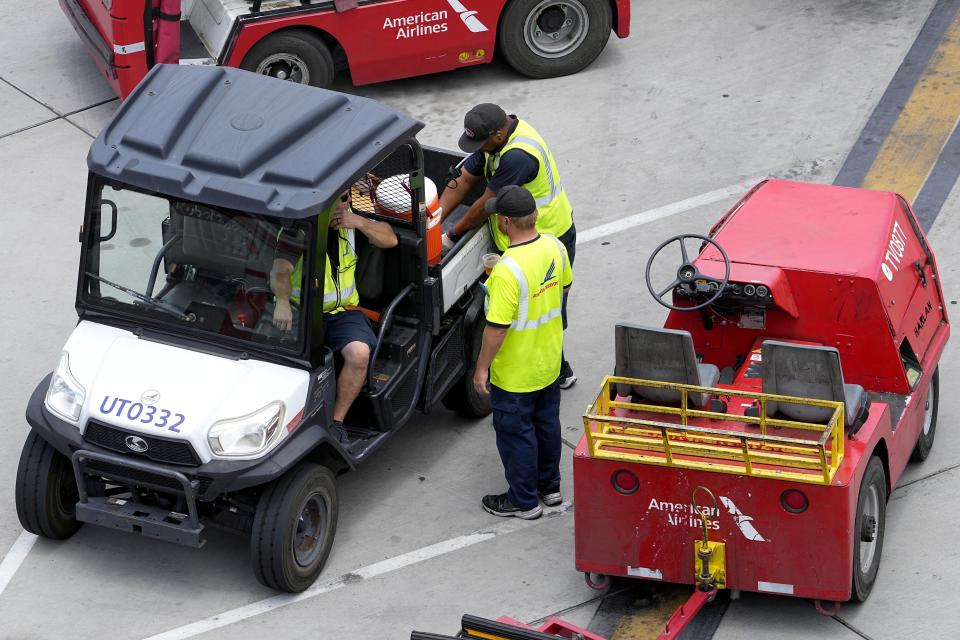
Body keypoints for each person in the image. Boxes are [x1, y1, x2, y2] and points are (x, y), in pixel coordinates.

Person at [439, 103, 577, 389]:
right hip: (518, 238)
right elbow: (464, 180)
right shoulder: (494, 142)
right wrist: (432, 220)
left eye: (481, 143)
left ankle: (556, 371)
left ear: (498, 135)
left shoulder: (517, 156)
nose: (478, 148)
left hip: (547, 242)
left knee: (544, 309)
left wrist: (451, 235)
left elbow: (485, 205)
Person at [472, 186, 572, 520]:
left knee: (517, 435)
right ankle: (550, 488)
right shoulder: (556, 247)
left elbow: (497, 328)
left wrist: (481, 368)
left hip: (516, 373)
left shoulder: (507, 270)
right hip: (548, 361)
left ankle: (524, 501)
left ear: (504, 222)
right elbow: (565, 287)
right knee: (547, 426)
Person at [271, 191, 397, 440]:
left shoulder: (351, 220)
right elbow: (280, 271)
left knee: (359, 353)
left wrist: (360, 222)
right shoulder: (299, 228)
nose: (345, 203)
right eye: (339, 199)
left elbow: (390, 239)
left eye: (346, 197)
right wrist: (283, 302)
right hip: (302, 312)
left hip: (344, 314)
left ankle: (336, 423)